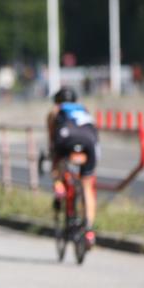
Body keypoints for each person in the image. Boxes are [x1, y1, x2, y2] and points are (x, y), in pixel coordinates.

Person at [47, 86, 99, 248]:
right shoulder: (84, 109)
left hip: (66, 138)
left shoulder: (56, 110)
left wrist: (53, 158)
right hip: (89, 142)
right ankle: (89, 230)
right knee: (87, 186)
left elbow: (51, 139)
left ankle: (59, 187)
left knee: (57, 163)